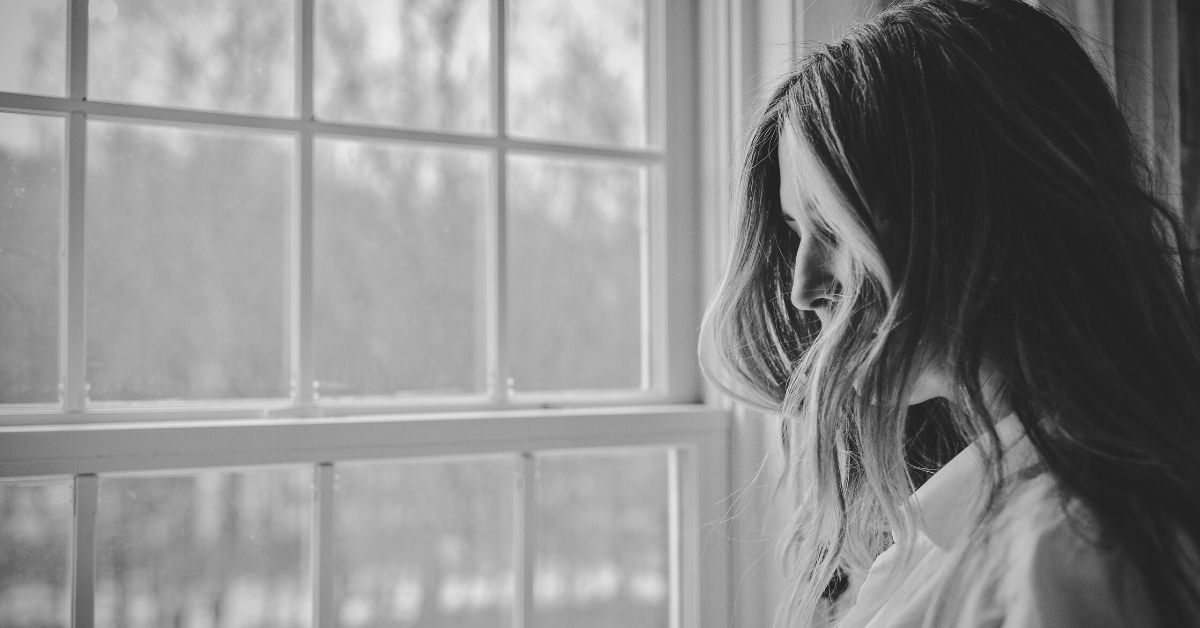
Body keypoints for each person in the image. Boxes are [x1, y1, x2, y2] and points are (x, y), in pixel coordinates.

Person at [699, 0, 1200, 625]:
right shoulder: (964, 526)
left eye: (833, 226)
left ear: (976, 218)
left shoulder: (1068, 555)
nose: (803, 287)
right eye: (797, 230)